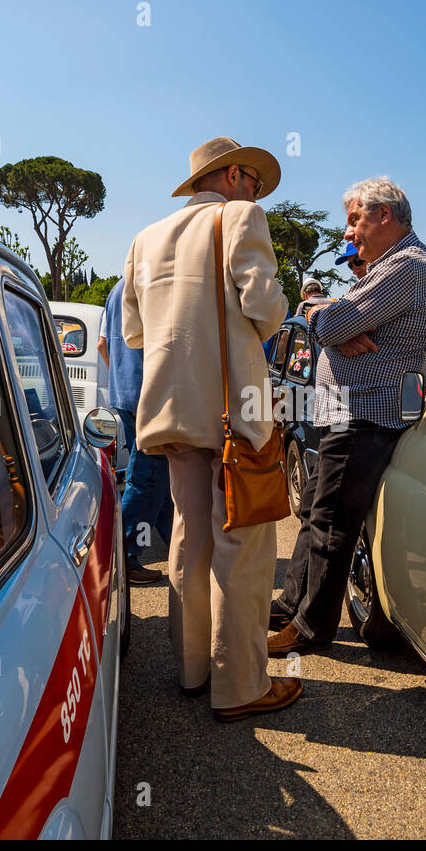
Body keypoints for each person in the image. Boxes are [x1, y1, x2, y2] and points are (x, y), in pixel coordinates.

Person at [121, 136, 301, 721]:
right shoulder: (241, 218)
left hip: (170, 413)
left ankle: (194, 670)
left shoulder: (145, 238)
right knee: (243, 549)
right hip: (234, 411)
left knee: (188, 536)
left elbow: (133, 335)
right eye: (253, 178)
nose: (256, 189)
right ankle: (241, 686)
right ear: (229, 177)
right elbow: (267, 310)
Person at [268, 176, 426, 657]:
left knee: (333, 524)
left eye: (355, 220)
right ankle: (293, 603)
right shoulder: (396, 265)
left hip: (364, 414)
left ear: (383, 216)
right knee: (316, 511)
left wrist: (330, 322)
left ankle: (311, 629)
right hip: (351, 412)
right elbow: (329, 321)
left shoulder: (406, 268)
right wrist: (330, 321)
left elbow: (328, 322)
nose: (348, 232)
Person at [97, 278, 173, 585]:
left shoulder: (117, 289)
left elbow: (102, 344)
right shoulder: (154, 285)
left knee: (154, 476)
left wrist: (121, 377)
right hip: (150, 395)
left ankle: (180, 544)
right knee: (148, 477)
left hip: (126, 394)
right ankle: (123, 556)